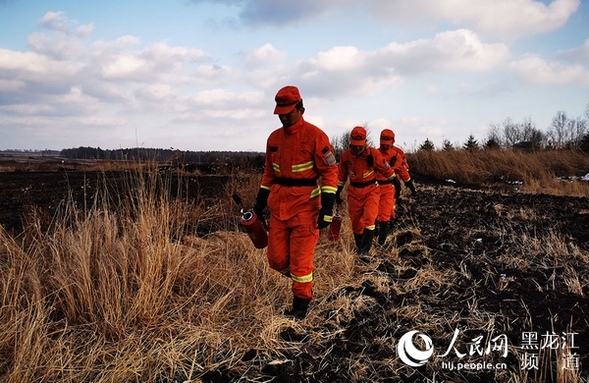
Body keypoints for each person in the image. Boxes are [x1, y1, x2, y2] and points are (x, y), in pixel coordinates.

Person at [253, 85, 338, 320]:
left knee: (300, 263)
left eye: (288, 112)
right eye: (280, 112)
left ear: (301, 109)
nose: (283, 116)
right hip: (278, 208)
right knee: (276, 260)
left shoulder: (316, 136)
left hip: (306, 209)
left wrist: (328, 208)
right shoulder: (274, 138)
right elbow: (268, 174)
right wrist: (258, 207)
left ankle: (300, 307)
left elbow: (331, 172)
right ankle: (304, 280)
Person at [335, 126, 396, 256]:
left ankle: (365, 250)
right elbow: (341, 176)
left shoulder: (373, 154)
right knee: (356, 222)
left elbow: (386, 169)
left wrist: (397, 183)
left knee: (370, 218)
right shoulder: (346, 156)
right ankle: (359, 246)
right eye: (355, 145)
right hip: (353, 192)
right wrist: (337, 192)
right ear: (350, 142)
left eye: (360, 145)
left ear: (365, 142)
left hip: (371, 190)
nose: (357, 148)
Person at [375, 128, 416, 246]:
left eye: (387, 145)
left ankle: (381, 242)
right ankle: (374, 235)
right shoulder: (374, 154)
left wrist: (410, 185)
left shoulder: (398, 155)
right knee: (372, 214)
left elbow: (403, 171)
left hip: (389, 187)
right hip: (374, 187)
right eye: (383, 144)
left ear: (393, 141)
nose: (385, 147)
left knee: (385, 213)